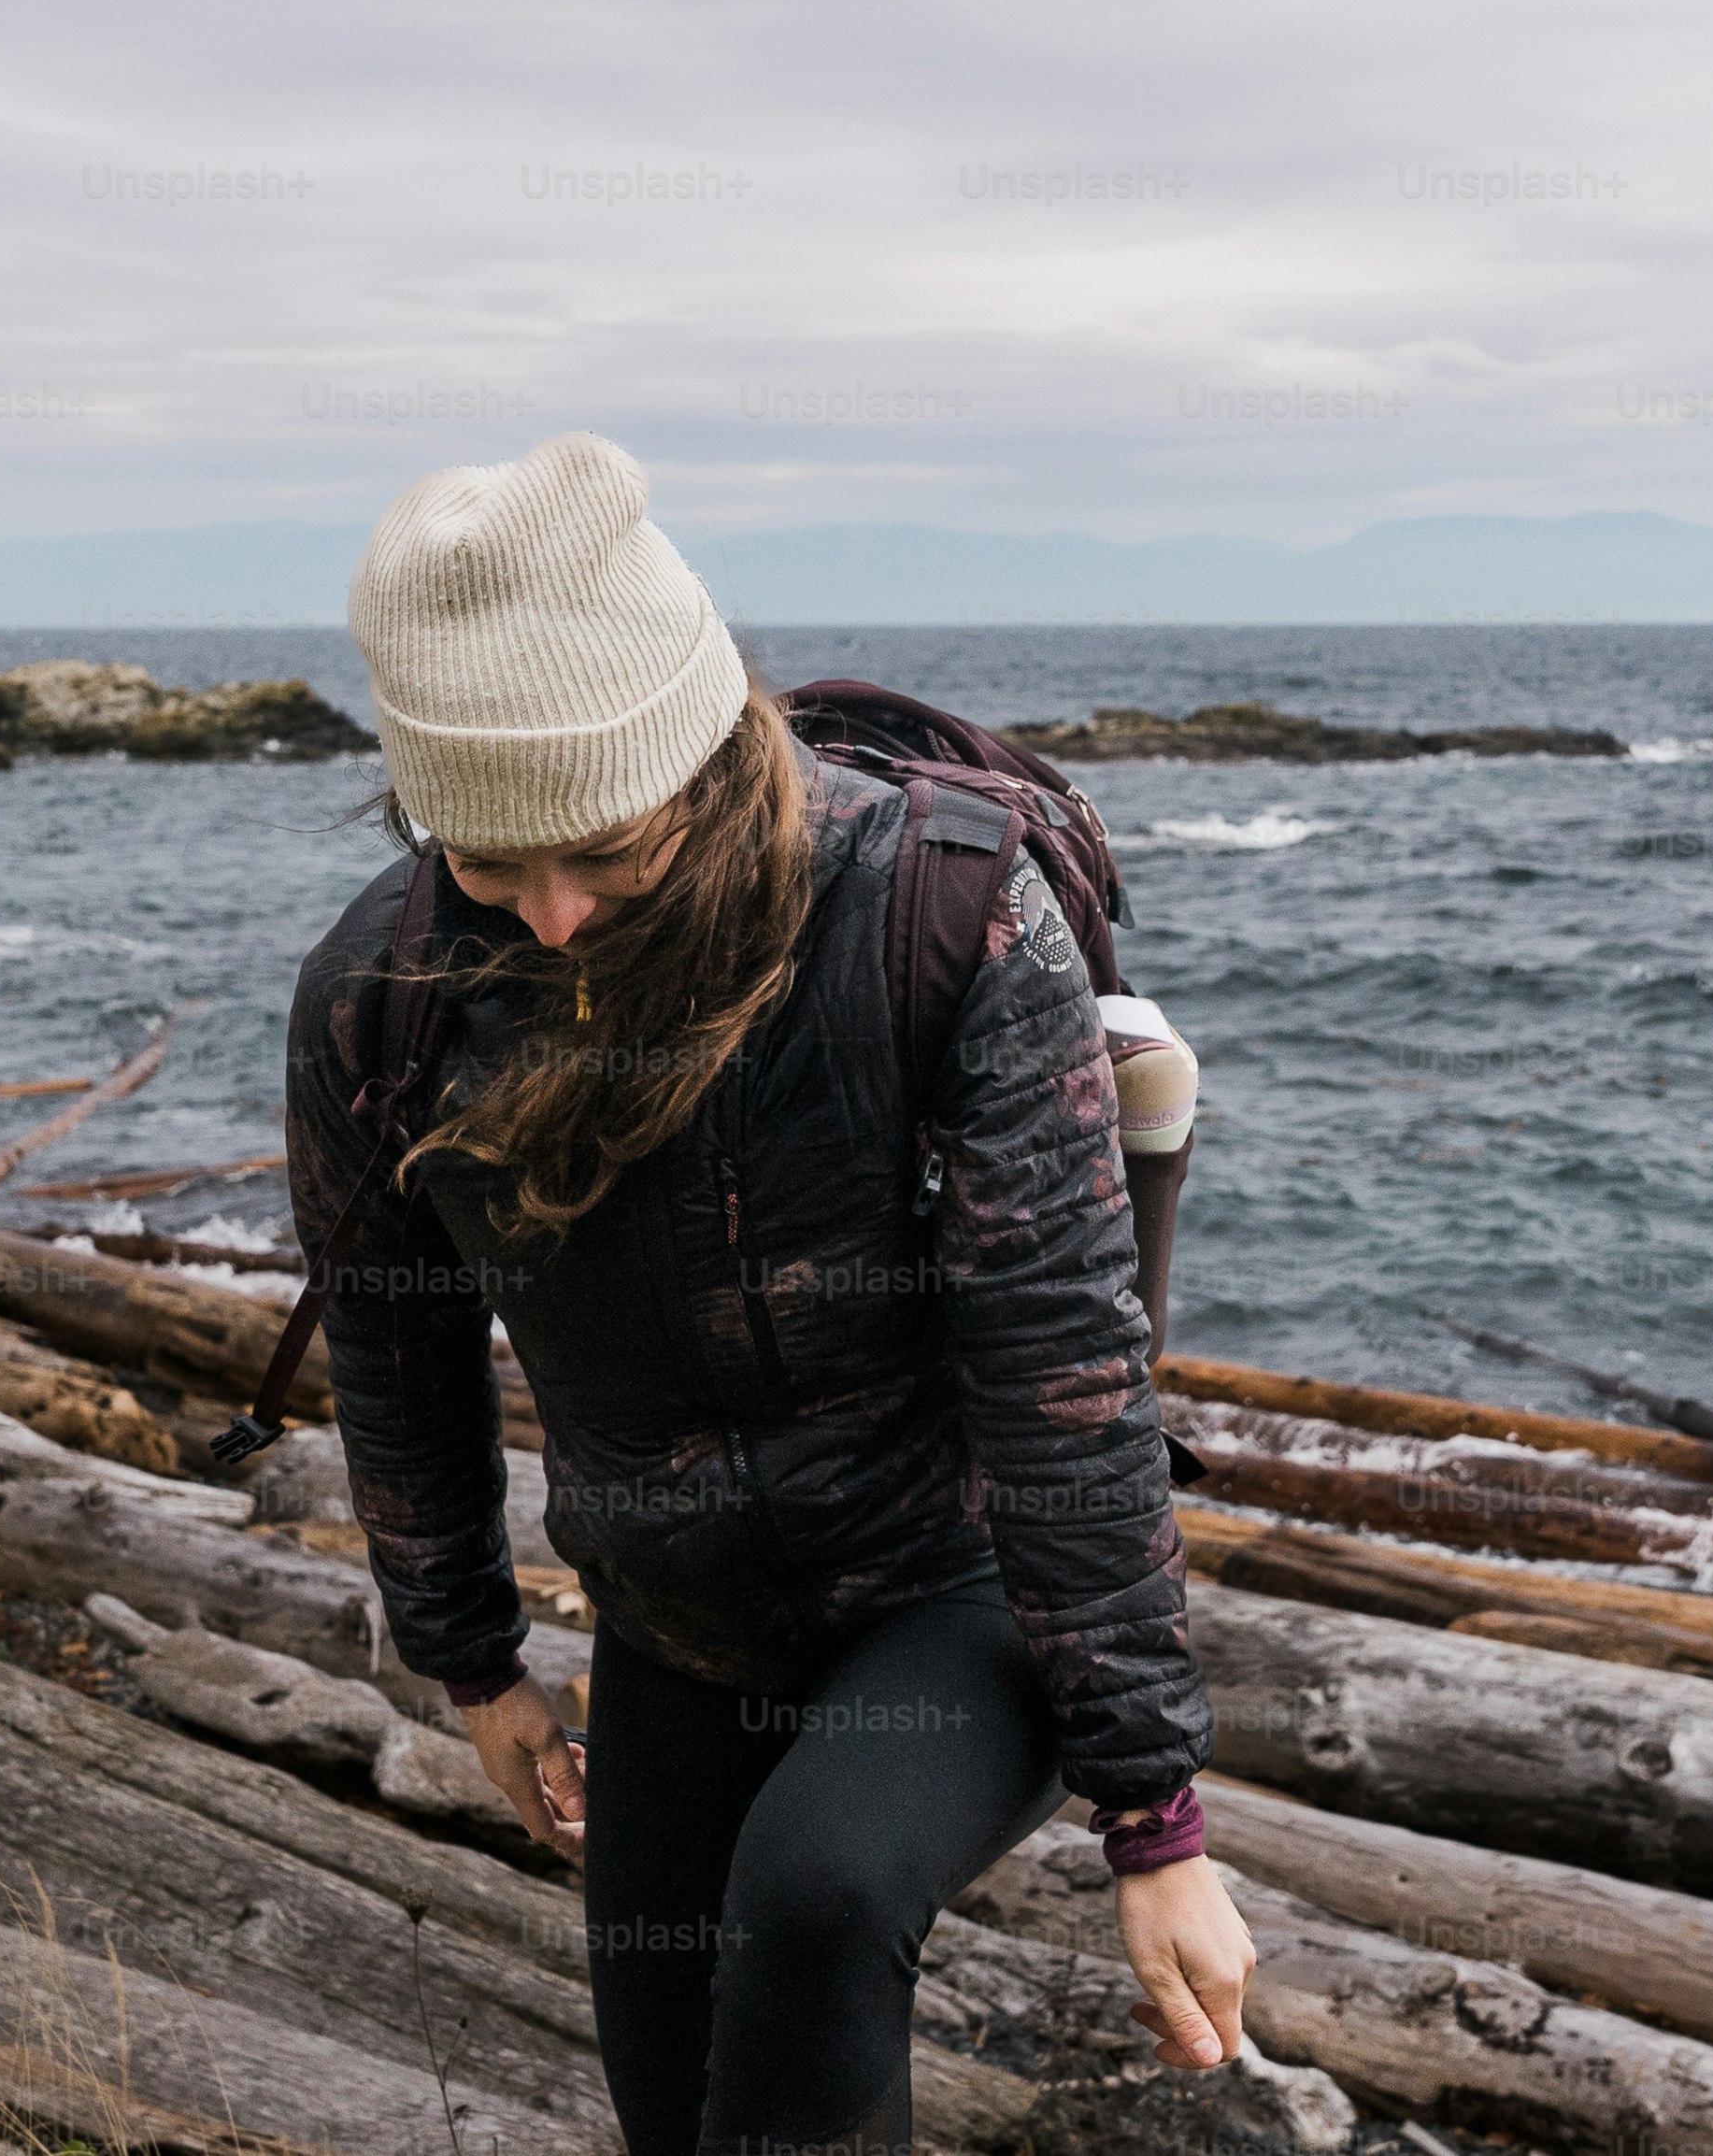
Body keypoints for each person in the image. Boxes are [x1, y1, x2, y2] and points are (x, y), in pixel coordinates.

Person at [291, 432, 1249, 2156]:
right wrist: (473, 1658)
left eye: (599, 845)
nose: (557, 915)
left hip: (963, 1590)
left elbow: (1066, 1364)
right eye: (493, 862)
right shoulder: (386, 990)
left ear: (701, 752)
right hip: (676, 1622)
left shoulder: (943, 919)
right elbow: (393, 1338)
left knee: (810, 1901)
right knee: (695, 2111)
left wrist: (1151, 1813)